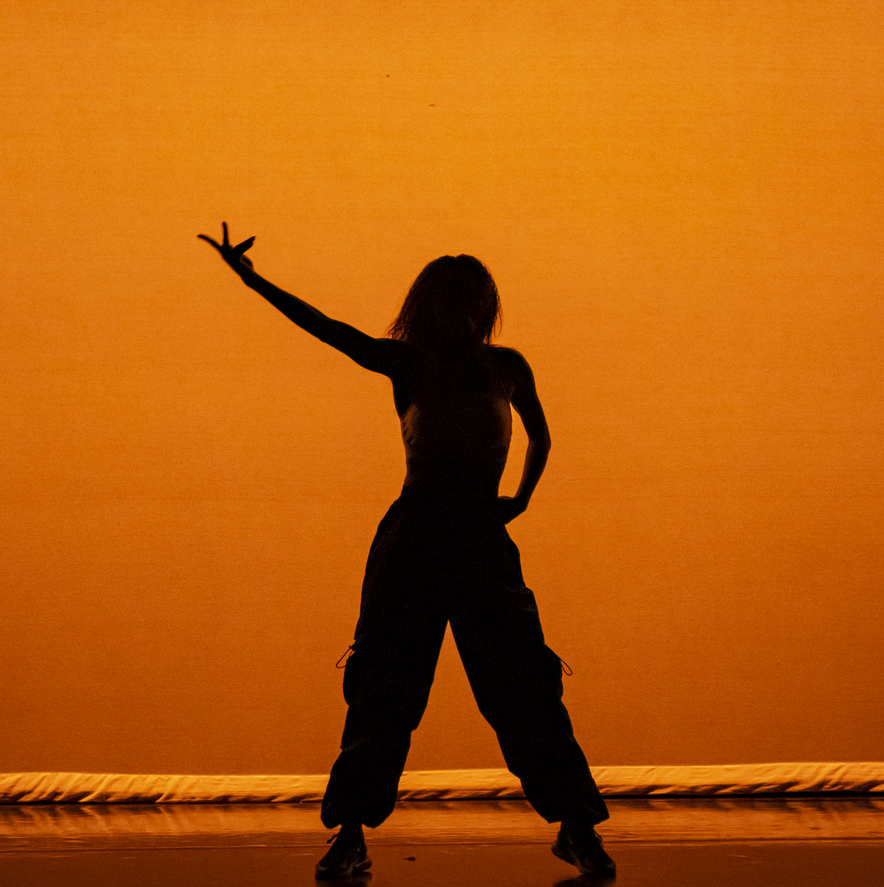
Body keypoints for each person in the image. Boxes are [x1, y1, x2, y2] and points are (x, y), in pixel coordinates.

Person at [199, 223, 614, 880]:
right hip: (415, 537)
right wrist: (252, 281)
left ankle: (576, 825)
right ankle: (351, 833)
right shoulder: (409, 361)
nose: (464, 311)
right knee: (384, 689)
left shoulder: (507, 366)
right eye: (453, 301)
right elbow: (329, 329)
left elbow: (543, 437)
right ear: (433, 307)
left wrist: (521, 498)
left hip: (478, 539)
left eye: (472, 299)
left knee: (523, 687)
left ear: (483, 306)